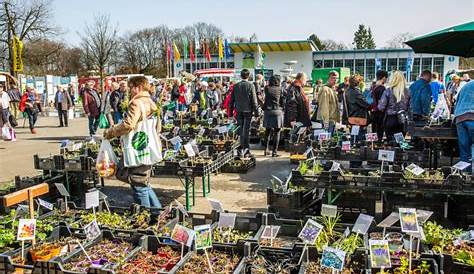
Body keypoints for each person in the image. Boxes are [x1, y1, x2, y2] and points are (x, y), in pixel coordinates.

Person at [103, 76, 162, 208]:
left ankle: (146, 217)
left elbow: (129, 124)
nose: (130, 91)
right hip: (147, 146)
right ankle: (157, 213)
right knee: (143, 182)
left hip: (137, 148)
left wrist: (111, 132)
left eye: (131, 88)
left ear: (138, 87)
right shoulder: (151, 102)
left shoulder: (137, 103)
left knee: (138, 183)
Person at [342, 74, 370, 167]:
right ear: (358, 82)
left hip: (351, 119)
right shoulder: (356, 92)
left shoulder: (347, 91)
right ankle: (356, 164)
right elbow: (366, 104)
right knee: (359, 142)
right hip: (358, 120)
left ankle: (353, 162)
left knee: (353, 141)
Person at [229, 69, 258, 156]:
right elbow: (254, 100)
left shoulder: (236, 86)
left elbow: (231, 101)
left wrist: (230, 113)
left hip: (238, 110)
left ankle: (240, 149)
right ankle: (246, 149)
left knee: (240, 130)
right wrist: (256, 113)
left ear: (241, 76)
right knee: (246, 130)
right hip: (248, 111)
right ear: (248, 76)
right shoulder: (250, 85)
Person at [377, 71, 410, 141]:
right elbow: (410, 107)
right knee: (400, 143)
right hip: (402, 120)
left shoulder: (388, 91)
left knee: (391, 144)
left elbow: (381, 107)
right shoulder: (408, 91)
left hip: (390, 119)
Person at [454, 81, 474, 171]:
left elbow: (456, 102)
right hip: (472, 117)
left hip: (460, 118)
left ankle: (466, 176)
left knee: (465, 151)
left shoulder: (467, 85)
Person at [263, 75, 284, 157]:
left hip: (268, 111)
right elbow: (283, 101)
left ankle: (266, 150)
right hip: (277, 111)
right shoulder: (280, 89)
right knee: (277, 132)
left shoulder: (266, 88)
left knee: (267, 132)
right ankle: (274, 152)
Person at [371, 70, 388, 141]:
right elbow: (381, 102)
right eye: (386, 77)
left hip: (373, 110)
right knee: (380, 128)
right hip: (379, 111)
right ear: (384, 77)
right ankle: (378, 142)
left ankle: (373, 142)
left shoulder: (373, 86)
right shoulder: (382, 88)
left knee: (374, 128)